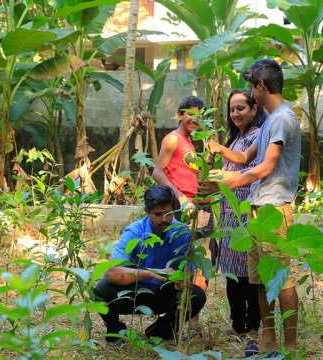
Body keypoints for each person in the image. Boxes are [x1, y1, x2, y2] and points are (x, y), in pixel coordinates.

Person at [205, 59, 301, 351]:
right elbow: (248, 159)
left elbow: (265, 167)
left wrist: (228, 182)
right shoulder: (271, 120)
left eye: (251, 86)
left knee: (281, 278)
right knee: (260, 278)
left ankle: (292, 345)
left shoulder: (283, 118)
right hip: (258, 208)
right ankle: (269, 337)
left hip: (274, 208)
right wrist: (220, 159)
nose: (250, 91)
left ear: (261, 86)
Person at [93, 185, 207, 342]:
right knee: (101, 290)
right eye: (158, 214)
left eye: (168, 213)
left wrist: (183, 280)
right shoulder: (134, 232)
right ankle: (116, 330)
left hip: (165, 293)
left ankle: (161, 331)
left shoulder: (182, 233)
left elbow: (189, 271)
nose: (164, 219)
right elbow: (111, 273)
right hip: (134, 292)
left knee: (197, 295)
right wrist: (153, 273)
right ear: (147, 212)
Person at [215, 89, 266, 335]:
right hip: (229, 215)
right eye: (232, 109)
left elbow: (250, 168)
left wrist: (219, 154)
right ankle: (238, 324)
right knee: (233, 275)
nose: (235, 113)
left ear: (254, 109)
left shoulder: (258, 136)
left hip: (246, 213)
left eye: (240, 108)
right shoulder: (236, 138)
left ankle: (252, 325)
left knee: (248, 275)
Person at [152, 96, 204, 208]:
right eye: (190, 114)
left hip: (192, 204)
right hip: (179, 204)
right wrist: (181, 198)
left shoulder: (189, 142)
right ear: (179, 116)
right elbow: (157, 173)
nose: (195, 119)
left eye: (199, 116)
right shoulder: (173, 139)